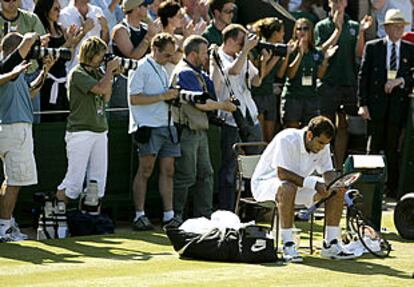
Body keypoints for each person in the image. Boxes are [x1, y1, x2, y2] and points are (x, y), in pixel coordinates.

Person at [251, 116, 358, 262]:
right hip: (265, 185)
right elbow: (282, 174)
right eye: (320, 142)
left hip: (297, 186)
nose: (322, 147)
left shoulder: (323, 146)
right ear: (309, 135)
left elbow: (327, 172)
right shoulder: (287, 139)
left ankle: (331, 244)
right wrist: (314, 184)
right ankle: (288, 245)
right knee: (288, 187)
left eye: (325, 144)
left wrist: (334, 185)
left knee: (336, 191)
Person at [170, 35, 236, 221]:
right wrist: (223, 105)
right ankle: (176, 216)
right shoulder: (185, 72)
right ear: (192, 54)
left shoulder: (197, 72)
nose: (206, 57)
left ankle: (204, 216)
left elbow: (209, 92)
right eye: (204, 53)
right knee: (186, 176)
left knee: (206, 174)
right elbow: (201, 103)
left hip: (199, 130)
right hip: (187, 130)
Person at [0, 32, 55, 242]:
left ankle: (5, 223)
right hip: (14, 129)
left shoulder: (17, 71)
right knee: (15, 182)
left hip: (15, 129)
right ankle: (4, 228)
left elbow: (30, 93)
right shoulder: (8, 67)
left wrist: (44, 71)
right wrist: (32, 38)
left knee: (10, 181)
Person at [56, 37, 120, 210]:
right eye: (101, 55)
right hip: (80, 132)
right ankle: (55, 218)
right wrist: (108, 72)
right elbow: (99, 89)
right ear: (91, 55)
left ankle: (91, 220)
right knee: (73, 183)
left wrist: (110, 73)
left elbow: (106, 96)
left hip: (100, 130)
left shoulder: (98, 73)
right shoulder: (77, 73)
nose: (104, 58)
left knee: (97, 183)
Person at [358, 9, 414, 198]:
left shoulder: (409, 48)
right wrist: (362, 104)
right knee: (373, 146)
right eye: (395, 26)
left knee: (393, 148)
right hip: (376, 105)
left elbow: (412, 75)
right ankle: (368, 188)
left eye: (401, 26)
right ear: (387, 28)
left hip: (398, 106)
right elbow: (363, 77)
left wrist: (400, 81)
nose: (398, 30)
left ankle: (392, 189)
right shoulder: (374, 47)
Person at [128, 32, 181, 231]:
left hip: (167, 125)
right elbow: (134, 98)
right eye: (167, 55)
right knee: (145, 170)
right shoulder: (140, 67)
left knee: (169, 170)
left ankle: (169, 215)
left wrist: (169, 96)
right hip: (148, 126)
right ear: (154, 49)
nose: (170, 59)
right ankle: (139, 215)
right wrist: (162, 96)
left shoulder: (162, 68)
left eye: (172, 55)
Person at [210, 23, 264, 211]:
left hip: (250, 115)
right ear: (231, 40)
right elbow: (232, 71)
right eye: (241, 41)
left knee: (256, 165)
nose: (244, 45)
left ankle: (253, 209)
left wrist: (264, 60)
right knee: (230, 169)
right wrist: (245, 52)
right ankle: (227, 210)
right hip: (231, 119)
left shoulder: (242, 56)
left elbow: (256, 81)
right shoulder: (217, 56)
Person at [314, 0, 373, 168]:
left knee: (343, 126)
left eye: (341, 1)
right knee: (324, 126)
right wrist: (337, 30)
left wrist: (361, 32)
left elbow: (359, 53)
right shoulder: (322, 26)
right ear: (329, 3)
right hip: (328, 83)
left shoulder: (354, 25)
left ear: (346, 3)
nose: (338, 5)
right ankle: (322, 166)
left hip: (349, 82)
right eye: (335, 1)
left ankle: (338, 166)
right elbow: (320, 53)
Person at [281, 18, 337, 129]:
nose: (302, 31)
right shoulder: (290, 50)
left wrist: (325, 60)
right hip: (293, 96)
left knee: (310, 130)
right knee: (292, 130)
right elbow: (289, 74)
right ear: (295, 32)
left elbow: (320, 76)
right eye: (298, 29)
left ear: (311, 31)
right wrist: (300, 54)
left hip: (311, 97)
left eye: (305, 28)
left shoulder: (316, 52)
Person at [111, 0, 159, 120]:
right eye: (145, 5)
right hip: (124, 81)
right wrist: (148, 37)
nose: (148, 8)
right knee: (122, 118)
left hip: (144, 81)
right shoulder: (121, 30)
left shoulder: (145, 28)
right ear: (136, 8)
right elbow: (133, 57)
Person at [34, 0, 80, 122]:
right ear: (46, 10)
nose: (59, 12)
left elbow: (68, 55)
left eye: (59, 8)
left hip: (62, 81)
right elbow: (48, 58)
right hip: (47, 82)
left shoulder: (60, 29)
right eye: (55, 9)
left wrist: (72, 40)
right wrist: (68, 43)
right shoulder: (42, 32)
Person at [250, 17, 289, 142]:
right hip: (258, 94)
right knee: (260, 138)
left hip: (269, 95)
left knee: (270, 137)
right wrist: (275, 58)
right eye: (282, 31)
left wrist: (285, 55)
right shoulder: (260, 48)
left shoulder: (279, 49)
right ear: (275, 33)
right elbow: (261, 74)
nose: (283, 34)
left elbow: (280, 74)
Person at [59, 0, 110, 73]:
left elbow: (105, 43)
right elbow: (66, 48)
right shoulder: (63, 15)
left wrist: (105, 29)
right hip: (74, 70)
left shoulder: (97, 11)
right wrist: (84, 31)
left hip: (96, 71)